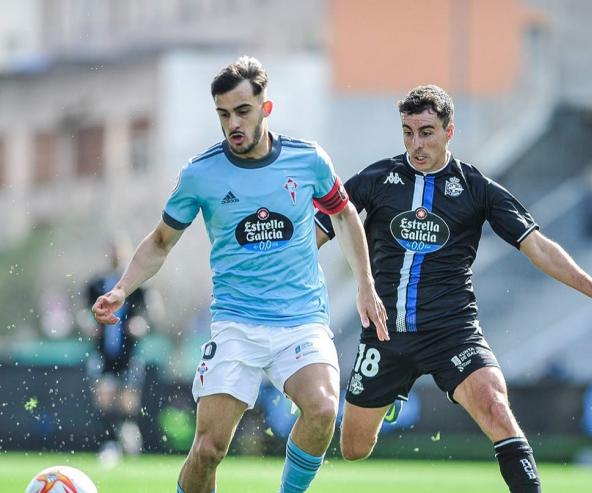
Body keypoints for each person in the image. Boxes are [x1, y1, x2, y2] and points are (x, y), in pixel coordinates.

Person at [315, 85, 592, 492]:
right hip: (386, 332)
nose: (415, 144)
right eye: (407, 132)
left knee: (494, 404)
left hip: (452, 331)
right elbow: (319, 231)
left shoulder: (476, 188)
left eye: (426, 132)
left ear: (449, 131)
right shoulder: (378, 178)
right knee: (353, 447)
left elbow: (537, 246)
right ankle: (392, 397)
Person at [92, 56, 386, 493]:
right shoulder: (200, 173)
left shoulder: (309, 161)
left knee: (323, 408)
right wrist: (121, 288)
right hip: (236, 325)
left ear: (265, 109)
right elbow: (159, 242)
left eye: (242, 111)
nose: (233, 123)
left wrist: (364, 283)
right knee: (208, 448)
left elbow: (344, 217)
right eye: (224, 114)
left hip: (300, 319)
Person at [86, 233, 150, 457]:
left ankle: (128, 437)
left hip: (129, 352)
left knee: (127, 401)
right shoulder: (97, 284)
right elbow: (85, 312)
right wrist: (87, 324)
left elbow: (150, 314)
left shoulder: (137, 285)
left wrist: (140, 324)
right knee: (104, 397)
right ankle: (110, 442)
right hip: (104, 352)